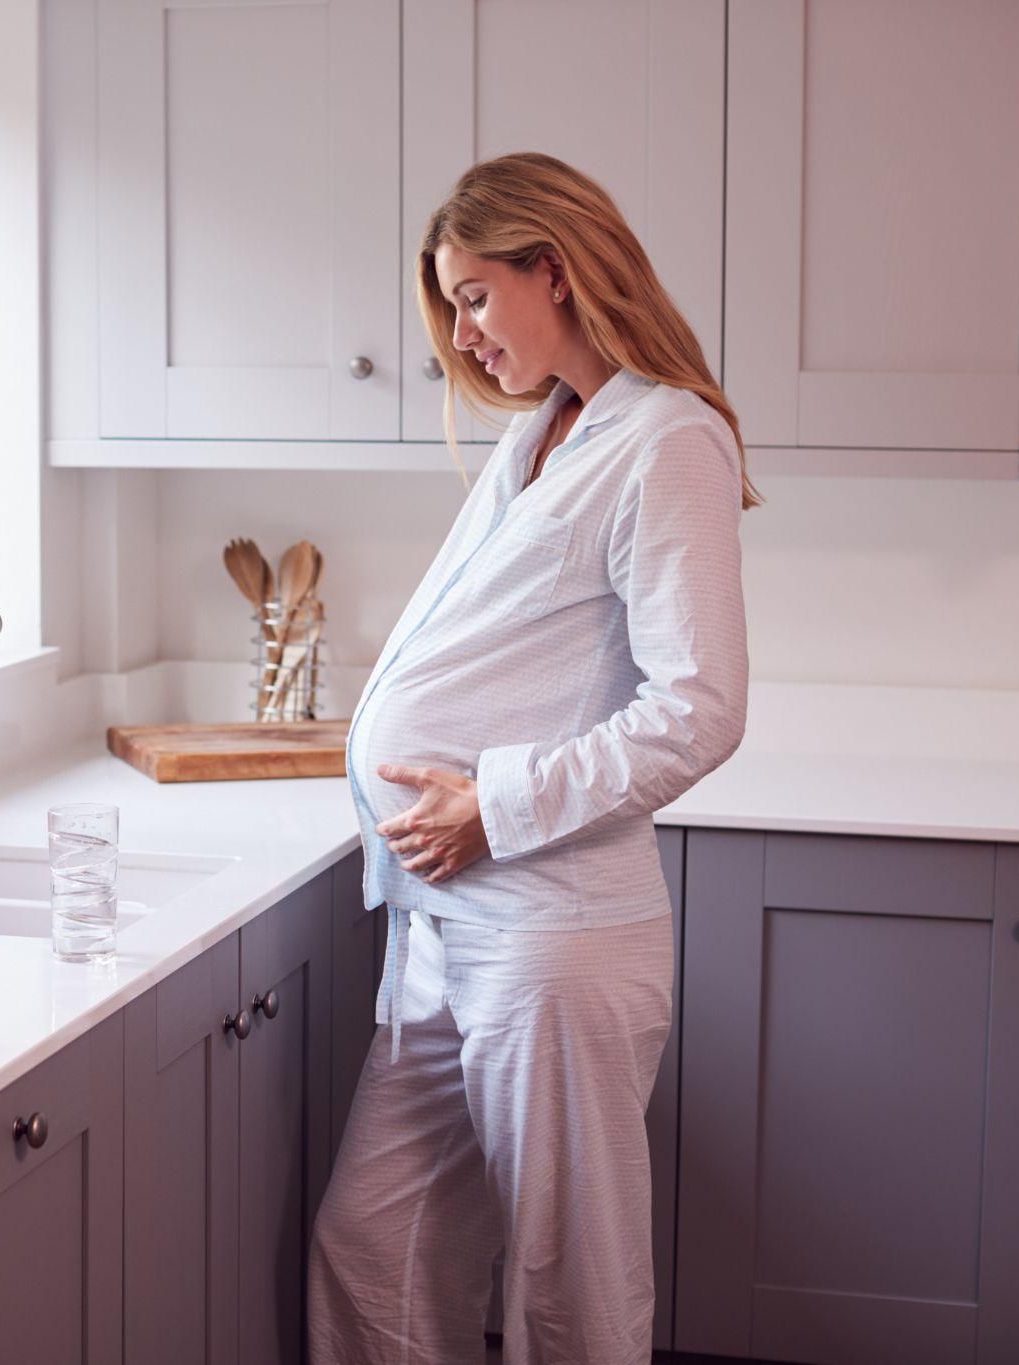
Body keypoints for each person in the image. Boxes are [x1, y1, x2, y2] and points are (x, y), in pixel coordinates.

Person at [307, 151, 758, 1364]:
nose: (458, 332)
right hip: (443, 920)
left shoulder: (666, 440)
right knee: (372, 1242)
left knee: (569, 1287)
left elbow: (701, 705)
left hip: (547, 931)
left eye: (469, 295)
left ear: (550, 271)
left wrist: (492, 808)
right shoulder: (549, 430)